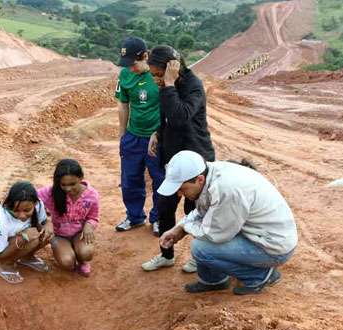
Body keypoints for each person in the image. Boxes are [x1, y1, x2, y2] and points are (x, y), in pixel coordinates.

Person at [158, 151, 298, 295]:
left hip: (273, 246)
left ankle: (259, 275)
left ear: (199, 179)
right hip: (259, 234)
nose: (179, 194)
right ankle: (213, 280)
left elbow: (213, 234)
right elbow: (204, 212)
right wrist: (179, 227)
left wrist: (184, 228)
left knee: (200, 248)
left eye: (181, 188)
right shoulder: (208, 175)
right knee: (200, 236)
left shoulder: (226, 189)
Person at [141, 45, 215, 273]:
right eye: (151, 75)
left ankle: (198, 257)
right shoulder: (167, 87)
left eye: (157, 74)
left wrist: (169, 85)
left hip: (196, 160)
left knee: (197, 212)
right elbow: (167, 118)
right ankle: (166, 255)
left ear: (173, 68)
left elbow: (180, 116)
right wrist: (158, 133)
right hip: (173, 158)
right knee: (164, 206)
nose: (154, 79)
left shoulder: (193, 86)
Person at [115, 36, 165, 235]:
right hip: (133, 137)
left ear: (145, 56)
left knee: (160, 179)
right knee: (130, 179)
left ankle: (159, 217)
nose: (131, 69)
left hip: (156, 138)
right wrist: (122, 135)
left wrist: (162, 133)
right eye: (127, 65)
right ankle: (134, 217)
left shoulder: (160, 75)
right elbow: (123, 104)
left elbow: (170, 107)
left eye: (133, 64)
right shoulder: (125, 76)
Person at [0, 181, 52, 284]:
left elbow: (45, 222)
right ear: (9, 204)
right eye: (16, 210)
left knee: (49, 234)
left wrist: (48, 227)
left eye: (27, 210)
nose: (22, 215)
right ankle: (6, 265)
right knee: (32, 239)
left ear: (35, 204)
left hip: (13, 237)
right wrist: (23, 238)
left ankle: (27, 257)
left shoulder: (38, 205)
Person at [37, 159, 99, 277]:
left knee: (87, 253)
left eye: (72, 184)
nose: (67, 188)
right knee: (67, 262)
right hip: (58, 235)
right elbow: (29, 197)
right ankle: (65, 252)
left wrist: (89, 225)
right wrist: (46, 221)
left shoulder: (92, 195)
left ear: (81, 178)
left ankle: (82, 261)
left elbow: (93, 217)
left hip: (79, 234)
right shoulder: (49, 192)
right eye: (63, 184)